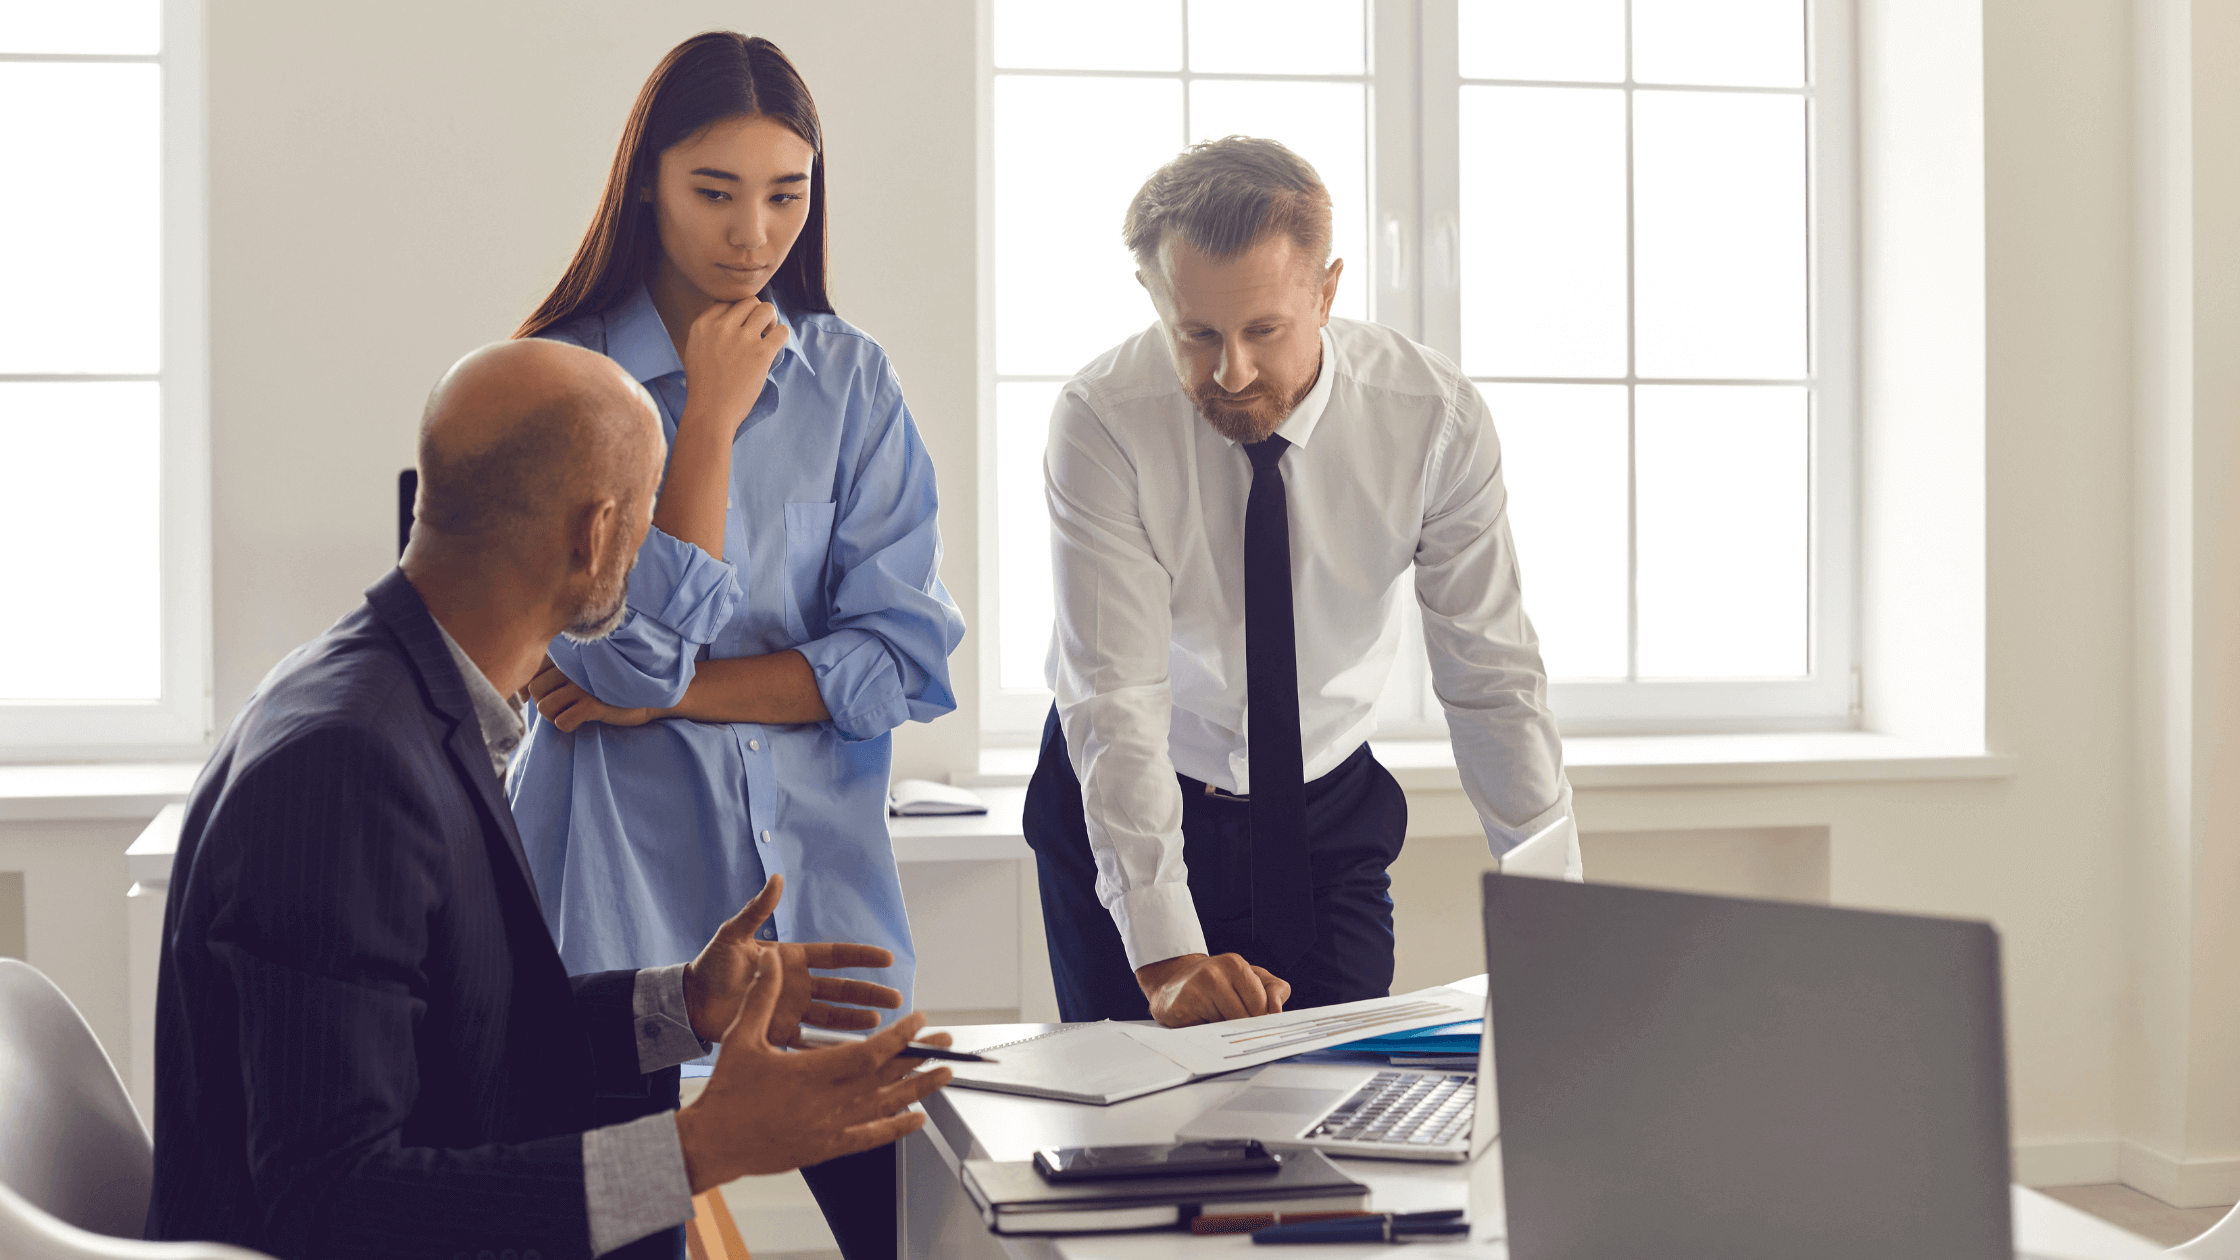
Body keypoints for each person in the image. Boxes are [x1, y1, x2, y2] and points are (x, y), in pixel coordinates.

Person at [147, 339, 951, 1260]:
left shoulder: (393, 688)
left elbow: (460, 1032)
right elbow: (332, 1202)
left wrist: (682, 1002)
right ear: (597, 534)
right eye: (652, 516)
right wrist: (699, 1147)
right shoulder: (349, 767)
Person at [501, 32, 964, 1259]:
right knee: (623, 1229)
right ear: (645, 181)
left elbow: (899, 661)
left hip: (820, 880)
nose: (753, 234)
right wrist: (703, 420)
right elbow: (615, 669)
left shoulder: (854, 382)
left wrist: (674, 697)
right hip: (611, 887)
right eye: (715, 191)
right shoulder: (559, 378)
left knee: (910, 1231)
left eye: (786, 193)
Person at [1025, 137, 1577, 1028]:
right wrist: (1166, 953)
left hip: (1327, 809)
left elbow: (1493, 680)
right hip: (1141, 790)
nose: (1230, 371)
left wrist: (1559, 917)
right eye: (1196, 334)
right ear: (1153, 299)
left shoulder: (1432, 421)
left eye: (1263, 331)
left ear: (1326, 292)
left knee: (1339, 1114)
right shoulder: (1102, 422)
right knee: (1139, 1136)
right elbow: (1115, 697)